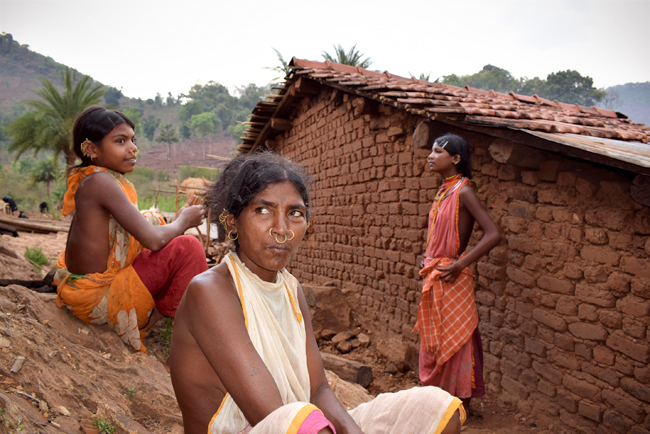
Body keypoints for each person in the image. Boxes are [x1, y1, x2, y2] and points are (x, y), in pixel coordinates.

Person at [169, 151, 464, 434]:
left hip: (300, 423)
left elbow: (317, 388)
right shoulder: (209, 292)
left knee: (435, 408)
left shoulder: (290, 288)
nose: (281, 229)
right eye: (263, 210)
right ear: (232, 220)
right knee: (305, 422)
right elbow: (273, 415)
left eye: (294, 213)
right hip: (268, 426)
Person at [54, 106, 207, 353]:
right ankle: (186, 342)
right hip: (99, 299)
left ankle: (155, 315)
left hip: (85, 290)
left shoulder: (96, 179)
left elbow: (147, 231)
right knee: (188, 246)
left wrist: (176, 221)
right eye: (120, 141)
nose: (133, 148)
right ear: (91, 149)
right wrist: (183, 223)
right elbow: (154, 241)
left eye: (133, 140)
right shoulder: (100, 182)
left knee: (151, 218)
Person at [414, 133, 501, 415]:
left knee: (458, 340)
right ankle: (441, 402)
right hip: (438, 274)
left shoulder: (463, 191)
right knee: (436, 340)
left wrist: (459, 265)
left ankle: (459, 404)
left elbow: (493, 234)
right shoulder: (444, 191)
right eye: (432, 151)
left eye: (437, 151)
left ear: (455, 159)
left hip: (453, 276)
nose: (430, 156)